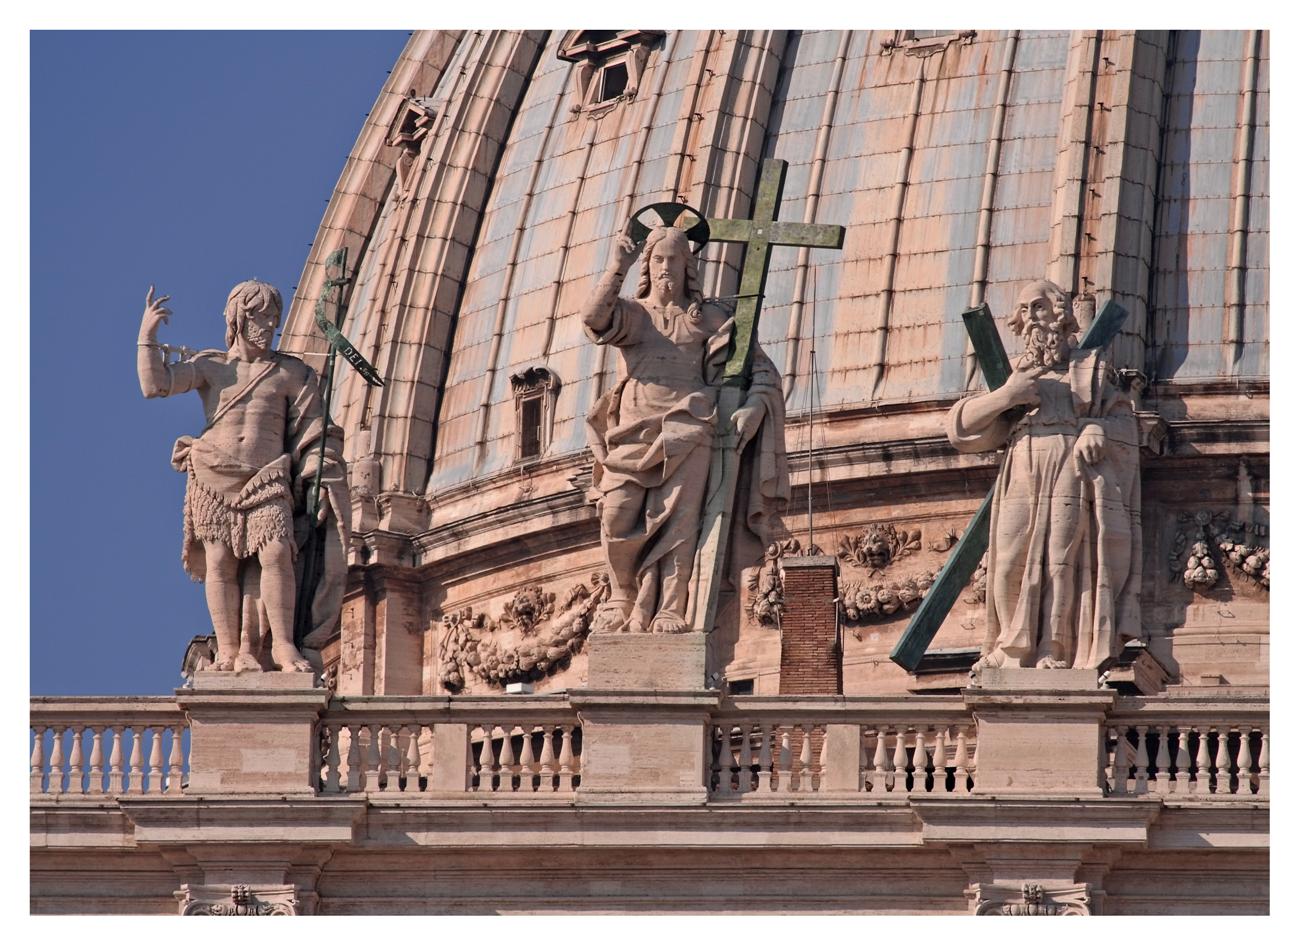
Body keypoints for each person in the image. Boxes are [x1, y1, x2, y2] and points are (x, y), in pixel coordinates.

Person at [582, 221, 788, 634]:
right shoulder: (635, 316)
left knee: (681, 525)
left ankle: (671, 606)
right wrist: (615, 268)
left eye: (675, 259)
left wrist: (752, 406)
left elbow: (762, 371)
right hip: (633, 429)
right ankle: (623, 593)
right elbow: (594, 317)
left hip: (692, 426)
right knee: (617, 515)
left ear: (688, 266)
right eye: (658, 258)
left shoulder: (712, 319)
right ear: (648, 265)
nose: (666, 267)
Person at [137, 280, 349, 672]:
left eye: (273, 317)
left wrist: (321, 465)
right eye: (258, 315)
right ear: (237, 316)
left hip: (268, 478)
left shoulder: (293, 373)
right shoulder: (211, 366)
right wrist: (147, 337)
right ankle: (231, 652)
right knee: (219, 561)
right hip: (213, 473)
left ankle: (283, 647)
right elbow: (156, 385)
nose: (267, 324)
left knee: (276, 554)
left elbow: (314, 431)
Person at [946, 279, 1142, 671]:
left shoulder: (1091, 368)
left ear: (1061, 314)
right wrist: (1007, 396)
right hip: (1023, 462)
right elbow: (960, 429)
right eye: (1023, 311)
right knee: (1008, 559)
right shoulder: (1012, 373)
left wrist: (1096, 428)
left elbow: (1126, 423)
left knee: (1062, 560)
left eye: (1038, 307)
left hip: (1072, 466)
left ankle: (1053, 647)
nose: (1031, 318)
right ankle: (1009, 645)